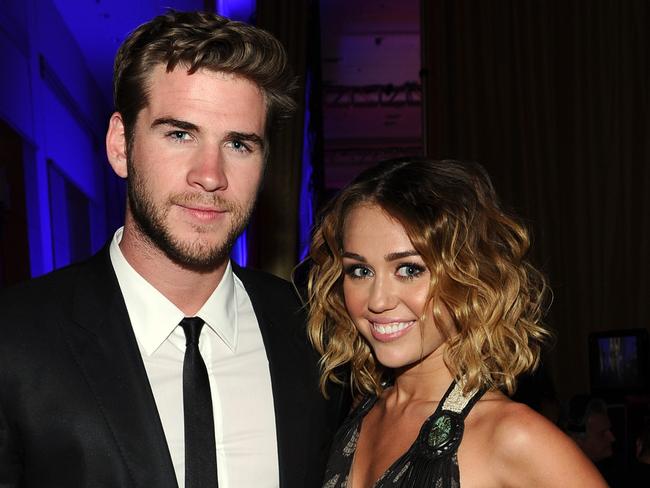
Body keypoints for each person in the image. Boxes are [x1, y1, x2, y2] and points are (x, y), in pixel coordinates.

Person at [0, 11, 347, 488]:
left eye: (240, 144)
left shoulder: (316, 333)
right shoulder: (15, 339)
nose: (210, 174)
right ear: (121, 145)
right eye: (180, 134)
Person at [307, 158, 606, 487]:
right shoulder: (359, 414)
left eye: (409, 269)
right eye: (360, 271)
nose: (378, 300)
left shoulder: (514, 437)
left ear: (466, 275)